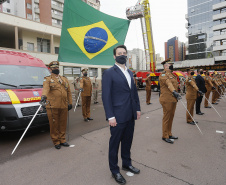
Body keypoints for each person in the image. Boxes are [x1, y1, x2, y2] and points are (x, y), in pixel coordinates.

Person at [102, 45, 141, 185]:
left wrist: (137, 108)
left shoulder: (130, 72)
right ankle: (115, 170)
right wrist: (110, 116)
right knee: (114, 144)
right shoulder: (109, 73)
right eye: (119, 53)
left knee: (127, 141)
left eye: (124, 53)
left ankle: (126, 163)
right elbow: (106, 97)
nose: (122, 55)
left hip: (130, 114)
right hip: (117, 116)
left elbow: (134, 92)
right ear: (114, 56)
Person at [40, 61, 72, 150]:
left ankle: (62, 140)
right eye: (54, 68)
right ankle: (56, 141)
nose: (56, 69)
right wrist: (43, 96)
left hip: (64, 105)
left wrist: (70, 103)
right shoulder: (48, 79)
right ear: (50, 69)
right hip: (52, 106)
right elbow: (46, 89)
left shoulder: (64, 79)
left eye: (57, 67)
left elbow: (68, 91)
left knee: (62, 124)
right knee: (54, 125)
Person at [159, 58, 181, 144]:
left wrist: (177, 93)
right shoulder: (163, 75)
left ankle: (169, 133)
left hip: (173, 99)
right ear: (165, 66)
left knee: (171, 117)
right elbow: (169, 83)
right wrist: (174, 92)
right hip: (166, 99)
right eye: (170, 64)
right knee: (166, 118)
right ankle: (165, 136)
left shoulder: (173, 75)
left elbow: (175, 84)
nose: (172, 66)